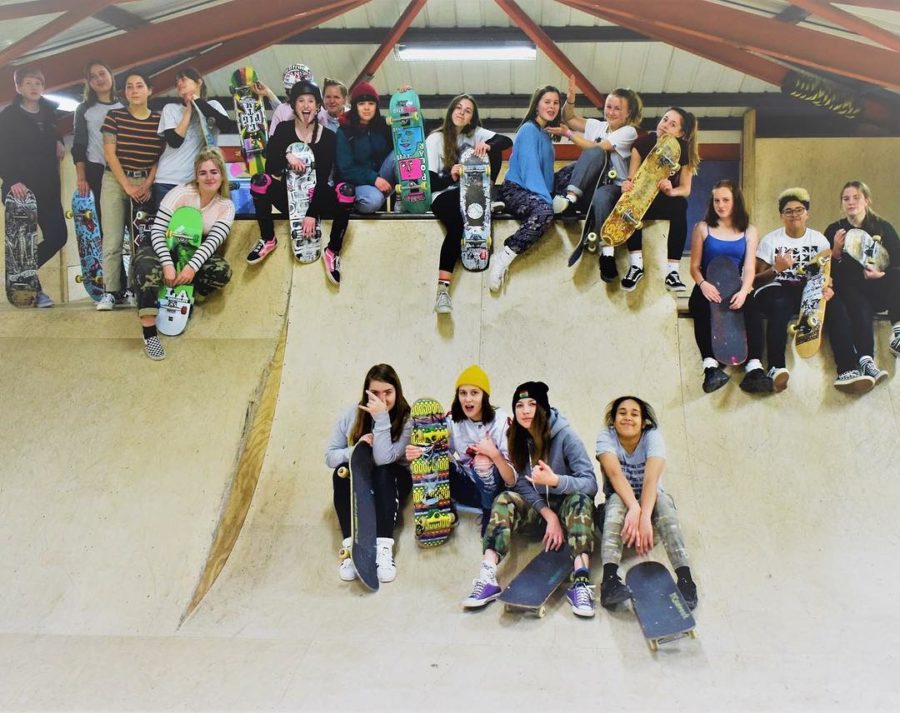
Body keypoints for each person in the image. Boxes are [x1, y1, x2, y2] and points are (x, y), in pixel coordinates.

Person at [462, 381, 598, 618]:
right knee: (505, 499)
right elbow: (520, 483)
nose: (525, 411)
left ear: (543, 408)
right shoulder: (517, 437)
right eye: (519, 405)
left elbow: (590, 483)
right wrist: (548, 514)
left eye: (532, 404)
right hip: (541, 513)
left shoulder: (566, 436)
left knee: (580, 501)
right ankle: (487, 576)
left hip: (570, 510)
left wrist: (556, 481)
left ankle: (581, 582)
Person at [755, 187, 870, 392]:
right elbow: (756, 280)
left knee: (836, 306)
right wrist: (776, 268)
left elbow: (827, 273)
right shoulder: (771, 241)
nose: (794, 215)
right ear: (781, 216)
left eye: (799, 210)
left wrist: (828, 287)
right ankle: (775, 367)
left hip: (809, 289)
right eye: (788, 211)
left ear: (807, 214)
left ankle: (847, 370)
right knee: (780, 306)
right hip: (778, 287)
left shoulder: (818, 240)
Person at [596, 395, 698, 610]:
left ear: (643, 423)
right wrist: (633, 507)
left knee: (664, 501)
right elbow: (615, 476)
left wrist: (643, 517)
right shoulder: (606, 437)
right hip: (622, 509)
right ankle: (610, 581)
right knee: (615, 502)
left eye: (635, 414)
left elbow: (651, 480)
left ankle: (686, 579)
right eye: (622, 413)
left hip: (649, 511)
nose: (628, 418)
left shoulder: (653, 438)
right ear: (613, 420)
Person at [133, 148, 234, 360]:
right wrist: (167, 264)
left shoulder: (226, 206)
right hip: (161, 242)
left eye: (214, 172)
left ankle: (188, 295)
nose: (209, 177)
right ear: (196, 176)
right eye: (203, 172)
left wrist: (190, 268)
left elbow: (212, 243)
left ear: (222, 175)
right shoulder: (180, 193)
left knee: (221, 271)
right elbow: (158, 230)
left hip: (194, 250)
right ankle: (150, 334)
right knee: (145, 267)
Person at [245, 80, 349, 284]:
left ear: (318, 106)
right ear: (293, 105)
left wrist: (312, 213)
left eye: (311, 101)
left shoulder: (328, 137)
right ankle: (268, 238)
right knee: (259, 181)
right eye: (301, 101)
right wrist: (287, 156)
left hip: (317, 199)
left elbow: (324, 177)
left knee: (346, 192)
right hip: (289, 197)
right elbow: (270, 168)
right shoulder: (283, 130)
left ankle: (332, 251)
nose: (306, 105)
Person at [325, 364, 413, 584]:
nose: (381, 399)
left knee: (384, 471)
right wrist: (355, 449)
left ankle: (384, 548)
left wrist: (382, 418)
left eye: (388, 393)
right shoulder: (351, 415)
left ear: (397, 392)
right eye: (375, 393)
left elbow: (384, 458)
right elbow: (330, 456)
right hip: (363, 483)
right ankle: (350, 548)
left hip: (392, 482)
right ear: (366, 392)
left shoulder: (405, 419)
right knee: (340, 473)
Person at [550, 78, 642, 282]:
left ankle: (606, 255)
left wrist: (568, 134)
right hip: (589, 188)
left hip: (615, 190)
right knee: (593, 154)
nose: (611, 112)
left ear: (628, 113)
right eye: (608, 107)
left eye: (617, 109)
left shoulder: (628, 131)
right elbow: (570, 117)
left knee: (596, 153)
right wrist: (570, 100)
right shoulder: (597, 126)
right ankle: (571, 201)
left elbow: (600, 148)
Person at [426, 95, 512, 313]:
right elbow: (428, 180)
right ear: (451, 111)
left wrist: (487, 144)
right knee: (456, 224)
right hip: (442, 194)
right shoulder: (435, 139)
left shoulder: (474, 134)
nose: (461, 113)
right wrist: (450, 175)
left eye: (467, 111)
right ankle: (442, 292)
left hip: (472, 193)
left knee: (491, 148)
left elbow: (506, 141)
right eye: (458, 108)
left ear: (472, 118)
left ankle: (488, 196)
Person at [406, 365, 514, 533]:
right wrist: (417, 451)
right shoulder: (453, 419)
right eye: (463, 393)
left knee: (482, 460)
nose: (468, 399)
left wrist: (494, 454)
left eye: (474, 393)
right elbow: (434, 448)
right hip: (467, 488)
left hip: (495, 492)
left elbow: (512, 479)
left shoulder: (501, 421)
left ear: (484, 396)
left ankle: (487, 511)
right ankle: (441, 506)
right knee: (433, 452)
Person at [688, 180, 772, 394]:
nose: (721, 205)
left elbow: (750, 268)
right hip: (708, 285)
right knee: (699, 304)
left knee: (753, 307)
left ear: (736, 202)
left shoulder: (749, 231)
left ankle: (754, 368)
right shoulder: (702, 228)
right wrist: (703, 284)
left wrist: (744, 291)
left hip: (735, 286)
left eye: (726, 200)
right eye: (717, 200)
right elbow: (694, 267)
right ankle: (710, 368)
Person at [97, 69, 165, 311]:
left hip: (145, 182)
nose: (134, 90)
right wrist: (126, 184)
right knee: (113, 239)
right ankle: (111, 292)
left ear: (149, 90)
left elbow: (160, 156)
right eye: (129, 86)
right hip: (115, 181)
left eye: (139, 85)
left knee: (141, 240)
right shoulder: (114, 116)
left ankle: (137, 289)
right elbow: (109, 152)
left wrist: (147, 184)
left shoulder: (159, 120)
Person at [489, 86, 568, 291]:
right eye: (547, 102)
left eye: (556, 103)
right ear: (537, 105)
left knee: (575, 168)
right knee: (544, 212)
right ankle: (504, 256)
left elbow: (547, 174)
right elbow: (530, 168)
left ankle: (571, 201)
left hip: (539, 189)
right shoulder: (528, 129)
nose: (552, 106)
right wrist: (548, 200)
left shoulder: (546, 135)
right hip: (516, 189)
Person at [0, 65, 67, 308]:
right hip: (20, 190)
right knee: (24, 243)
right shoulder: (8, 116)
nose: (34, 87)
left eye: (38, 83)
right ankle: (34, 291)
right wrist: (12, 179)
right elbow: (3, 150)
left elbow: (48, 135)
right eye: (28, 83)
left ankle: (21, 272)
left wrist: (59, 141)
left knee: (59, 236)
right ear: (18, 87)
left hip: (48, 186)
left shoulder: (49, 112)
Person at [824, 180, 900, 384]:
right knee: (856, 301)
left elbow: (897, 261)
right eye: (846, 198)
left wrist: (880, 275)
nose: (851, 202)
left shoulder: (883, 227)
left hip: (880, 289)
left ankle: (898, 333)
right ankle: (867, 361)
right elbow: (826, 271)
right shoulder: (834, 229)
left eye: (856, 197)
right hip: (851, 291)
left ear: (867, 200)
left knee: (896, 276)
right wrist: (837, 253)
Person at [620, 108, 701, 292]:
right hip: (641, 200)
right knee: (627, 202)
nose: (665, 125)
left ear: (680, 133)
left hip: (663, 200)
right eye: (665, 120)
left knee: (681, 204)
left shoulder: (683, 151)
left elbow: (685, 189)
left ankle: (672, 272)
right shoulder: (641, 144)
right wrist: (627, 185)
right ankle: (636, 265)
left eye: (673, 124)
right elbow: (631, 179)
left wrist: (671, 190)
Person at [153, 67, 233, 205]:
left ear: (199, 82)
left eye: (183, 79)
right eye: (177, 81)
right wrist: (188, 109)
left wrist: (197, 101)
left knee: (193, 225)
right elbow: (174, 141)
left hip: (195, 181)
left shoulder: (213, 106)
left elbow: (226, 125)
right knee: (168, 226)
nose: (179, 83)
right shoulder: (171, 109)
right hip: (167, 180)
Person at [72, 60, 122, 230]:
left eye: (102, 73)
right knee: (103, 226)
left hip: (125, 170)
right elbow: (78, 145)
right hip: (96, 171)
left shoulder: (125, 105)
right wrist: (81, 177)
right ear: (89, 83)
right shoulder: (84, 109)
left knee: (127, 223)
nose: (99, 79)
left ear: (110, 75)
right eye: (93, 77)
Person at [334, 82, 395, 215]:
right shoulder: (345, 131)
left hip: (382, 177)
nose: (366, 108)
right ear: (355, 106)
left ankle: (410, 196)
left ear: (376, 106)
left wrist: (406, 99)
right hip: (358, 183)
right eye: (361, 104)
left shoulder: (384, 125)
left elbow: (411, 131)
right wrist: (373, 179)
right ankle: (353, 202)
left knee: (400, 154)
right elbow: (346, 169)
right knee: (372, 201)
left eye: (371, 104)